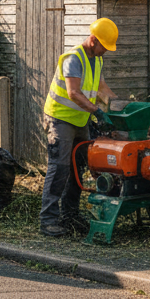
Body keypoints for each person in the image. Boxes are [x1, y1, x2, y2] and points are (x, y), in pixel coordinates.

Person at [39, 18, 119, 238]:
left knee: (78, 167)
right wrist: (97, 112)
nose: (106, 51)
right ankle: (48, 221)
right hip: (60, 119)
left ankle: (70, 216)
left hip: (80, 119)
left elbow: (101, 88)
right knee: (60, 168)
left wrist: (119, 107)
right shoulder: (74, 58)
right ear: (93, 40)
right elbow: (73, 92)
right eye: (104, 46)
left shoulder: (97, 60)